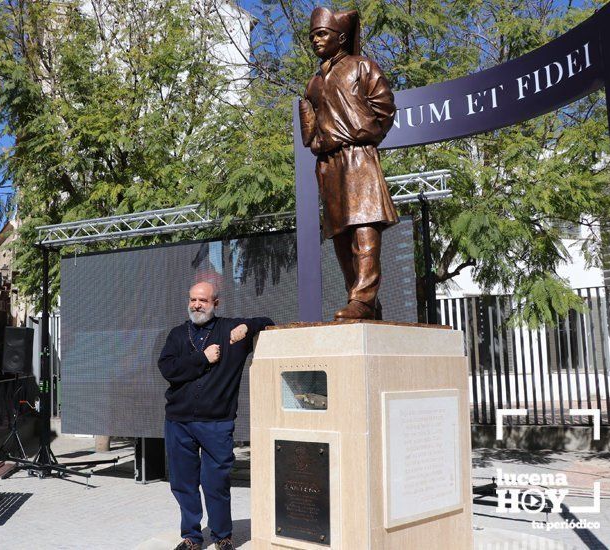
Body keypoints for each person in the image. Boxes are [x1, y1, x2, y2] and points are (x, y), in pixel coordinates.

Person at [158, 282, 274, 550]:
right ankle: (191, 537)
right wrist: (203, 358)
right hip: (179, 422)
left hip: (217, 424)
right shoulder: (177, 335)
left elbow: (268, 322)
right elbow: (168, 369)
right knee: (183, 483)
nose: (196, 305)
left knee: (216, 483)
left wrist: (249, 326)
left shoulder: (231, 330)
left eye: (203, 300)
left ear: (216, 303)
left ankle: (222, 536)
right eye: (193, 300)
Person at [298, 7, 397, 320]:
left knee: (364, 227)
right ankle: (362, 300)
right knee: (341, 234)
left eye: (322, 33)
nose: (316, 40)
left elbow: (385, 108)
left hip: (358, 158)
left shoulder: (362, 67)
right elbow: (310, 130)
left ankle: (363, 298)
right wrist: (312, 133)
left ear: (341, 37)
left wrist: (358, 133)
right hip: (329, 163)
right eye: (313, 35)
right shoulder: (313, 83)